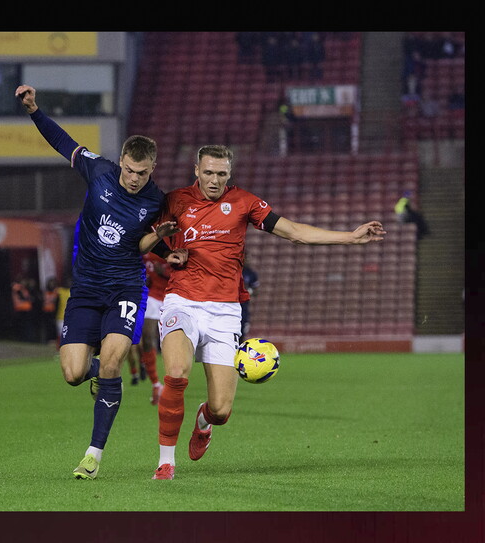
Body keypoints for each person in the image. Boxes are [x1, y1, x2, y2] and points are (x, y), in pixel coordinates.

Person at [142, 144, 385, 480]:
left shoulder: (244, 202)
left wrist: (351, 238)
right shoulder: (174, 200)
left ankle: (203, 421)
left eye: (221, 174)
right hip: (182, 300)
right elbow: (142, 235)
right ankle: (165, 462)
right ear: (196, 170)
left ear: (230, 174)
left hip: (225, 310)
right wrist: (166, 253)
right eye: (208, 172)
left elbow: (295, 233)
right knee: (178, 373)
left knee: (221, 410)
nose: (214, 180)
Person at [14, 84, 185, 480]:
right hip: (86, 289)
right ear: (121, 160)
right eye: (129, 169)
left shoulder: (155, 200)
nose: (134, 178)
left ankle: (92, 456)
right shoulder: (100, 170)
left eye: (142, 173)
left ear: (152, 169)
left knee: (112, 361)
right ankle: (101, 377)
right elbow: (63, 142)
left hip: (126, 287)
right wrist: (34, 110)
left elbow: (138, 241)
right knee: (74, 373)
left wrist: (163, 248)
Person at [139, 251, 171, 405]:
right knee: (147, 336)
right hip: (151, 296)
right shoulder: (145, 243)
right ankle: (156, 384)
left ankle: (173, 384)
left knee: (170, 343)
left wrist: (164, 273)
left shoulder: (172, 242)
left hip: (172, 297)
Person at [240, 256, 260, 343]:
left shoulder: (250, 273)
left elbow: (256, 291)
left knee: (242, 333)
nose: (247, 260)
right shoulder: (234, 271)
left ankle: (239, 353)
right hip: (231, 304)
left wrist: (248, 291)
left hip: (244, 308)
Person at [11, 274, 36, 341]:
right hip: (21, 309)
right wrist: (28, 298)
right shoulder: (17, 287)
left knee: (27, 325)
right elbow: (23, 297)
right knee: (23, 325)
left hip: (26, 309)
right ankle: (23, 338)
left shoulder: (24, 288)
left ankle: (27, 338)